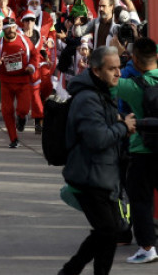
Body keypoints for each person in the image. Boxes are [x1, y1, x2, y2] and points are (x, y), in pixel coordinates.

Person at [59, 46, 136, 275]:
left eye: (119, 68)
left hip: (103, 174)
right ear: (95, 71)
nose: (118, 74)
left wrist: (119, 126)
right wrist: (122, 127)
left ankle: (72, 271)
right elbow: (97, 138)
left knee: (108, 232)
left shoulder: (102, 93)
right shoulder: (88, 99)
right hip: (89, 175)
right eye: (111, 69)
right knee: (107, 230)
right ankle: (70, 270)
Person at [111, 38, 158, 264]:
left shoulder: (132, 86)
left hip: (142, 152)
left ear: (136, 60)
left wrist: (119, 60)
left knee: (140, 202)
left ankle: (147, 248)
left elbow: (103, 80)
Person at [0, 18, 39, 148]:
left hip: (23, 80)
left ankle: (22, 118)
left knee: (23, 109)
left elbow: (35, 55)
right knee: (7, 111)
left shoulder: (24, 40)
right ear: (4, 29)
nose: (11, 30)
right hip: (6, 81)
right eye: (8, 28)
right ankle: (13, 138)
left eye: (13, 27)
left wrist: (32, 67)